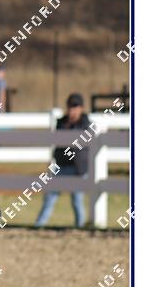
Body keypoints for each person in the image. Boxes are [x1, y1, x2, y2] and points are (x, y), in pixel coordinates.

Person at [35, 92, 90, 229]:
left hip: (77, 169)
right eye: (70, 106)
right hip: (61, 166)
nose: (72, 110)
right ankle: (39, 225)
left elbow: (77, 144)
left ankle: (80, 227)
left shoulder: (85, 124)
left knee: (77, 201)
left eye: (75, 106)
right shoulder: (62, 122)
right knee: (50, 197)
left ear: (81, 108)